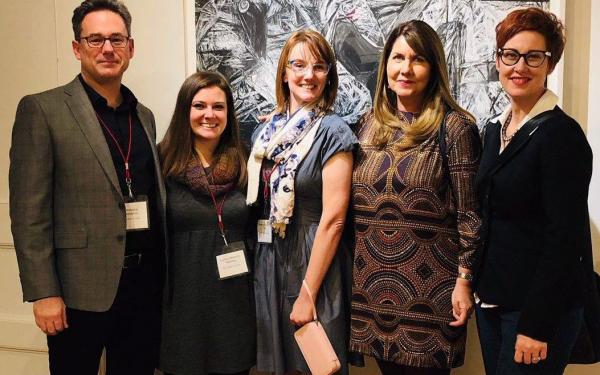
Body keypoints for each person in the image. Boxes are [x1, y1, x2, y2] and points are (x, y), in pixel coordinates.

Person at [8, 1, 166, 374]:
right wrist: (44, 292)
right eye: (95, 39)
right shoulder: (42, 110)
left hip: (144, 287)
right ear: (77, 48)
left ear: (131, 47)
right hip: (78, 291)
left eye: (116, 39)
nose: (107, 49)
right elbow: (29, 213)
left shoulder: (144, 116)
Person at [349, 20, 482, 375]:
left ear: (434, 68)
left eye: (418, 59)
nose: (405, 69)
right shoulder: (366, 125)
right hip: (372, 293)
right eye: (398, 57)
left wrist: (465, 282)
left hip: (430, 300)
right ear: (385, 66)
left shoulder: (454, 128)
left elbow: (470, 215)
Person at [474, 7, 593, 375]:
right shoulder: (495, 131)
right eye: (510, 55)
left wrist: (536, 326)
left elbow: (565, 239)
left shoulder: (561, 135)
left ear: (550, 63)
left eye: (533, 56)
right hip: (493, 304)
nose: (519, 66)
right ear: (498, 61)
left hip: (537, 314)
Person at [246, 29, 358, 374]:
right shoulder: (265, 133)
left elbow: (335, 219)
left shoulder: (334, 131)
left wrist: (308, 292)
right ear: (284, 72)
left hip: (313, 260)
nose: (308, 75)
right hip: (270, 257)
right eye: (298, 65)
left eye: (319, 66)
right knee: (273, 361)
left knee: (313, 362)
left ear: (329, 76)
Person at [158, 71, 256, 375]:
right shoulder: (161, 161)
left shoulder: (247, 162)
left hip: (234, 304)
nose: (209, 115)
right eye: (199, 105)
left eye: (219, 107)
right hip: (180, 307)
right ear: (184, 110)